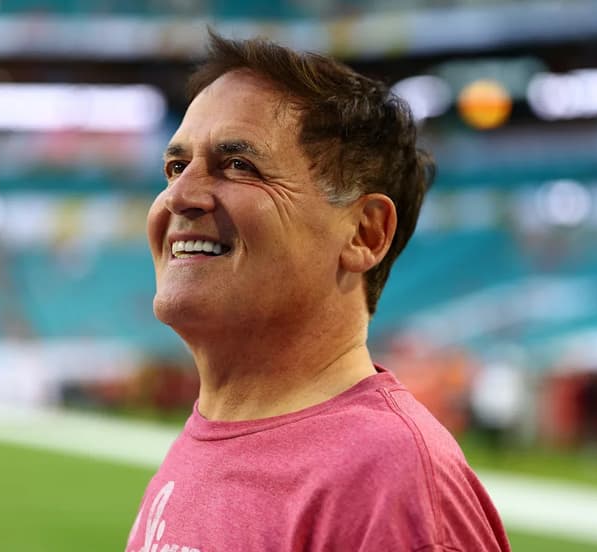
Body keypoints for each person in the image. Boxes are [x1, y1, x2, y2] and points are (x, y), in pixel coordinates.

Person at [127, 31, 510, 552]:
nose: (179, 195)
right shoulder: (212, 440)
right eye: (176, 167)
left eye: (238, 165)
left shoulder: (388, 481)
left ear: (364, 233)